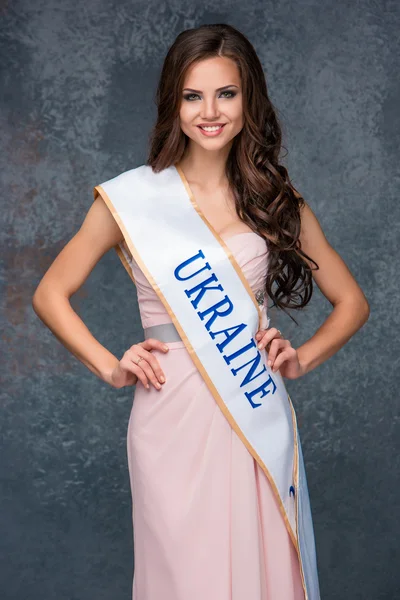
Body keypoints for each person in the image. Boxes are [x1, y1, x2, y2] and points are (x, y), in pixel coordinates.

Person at [32, 23, 370, 600]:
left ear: (249, 99)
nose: (209, 112)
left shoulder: (276, 202)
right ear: (174, 103)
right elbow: (49, 293)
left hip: (251, 410)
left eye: (226, 94)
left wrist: (300, 359)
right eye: (193, 96)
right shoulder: (133, 198)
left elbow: (354, 303)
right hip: (169, 416)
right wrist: (111, 366)